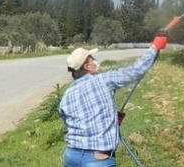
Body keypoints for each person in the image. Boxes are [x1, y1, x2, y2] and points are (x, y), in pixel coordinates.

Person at [58, 33, 168, 167]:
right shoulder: (103, 80)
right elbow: (135, 70)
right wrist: (154, 47)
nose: (95, 61)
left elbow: (69, 121)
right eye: (92, 59)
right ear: (87, 67)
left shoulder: (67, 94)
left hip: (71, 156)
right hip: (97, 159)